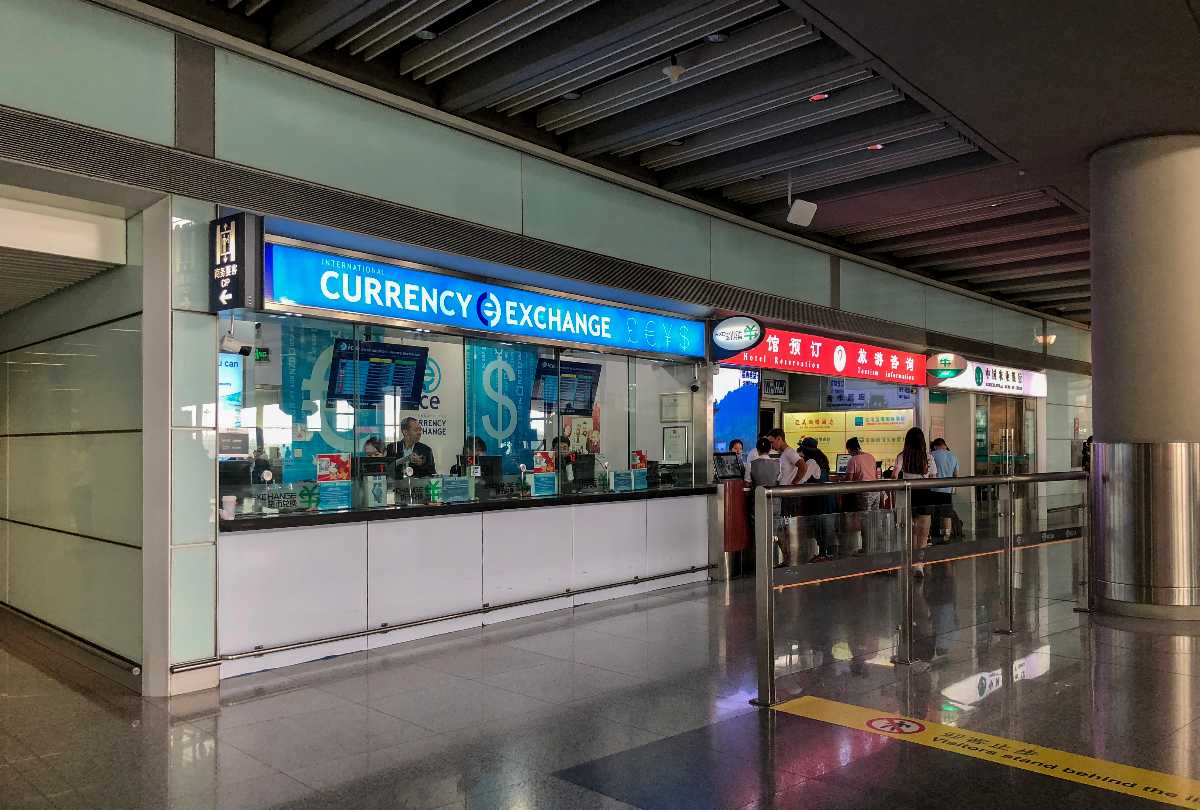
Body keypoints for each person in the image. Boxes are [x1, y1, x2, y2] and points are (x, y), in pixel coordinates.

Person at [894, 426, 936, 576]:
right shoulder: (928, 457)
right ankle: (919, 564)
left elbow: (894, 475)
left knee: (911, 529)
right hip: (924, 493)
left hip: (908, 494)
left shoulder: (902, 456)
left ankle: (910, 560)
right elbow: (933, 477)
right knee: (923, 531)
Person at [798, 437, 838, 561]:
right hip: (828, 496)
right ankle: (826, 553)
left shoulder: (811, 462)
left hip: (820, 498)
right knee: (826, 524)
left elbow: (802, 480)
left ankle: (822, 554)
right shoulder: (822, 459)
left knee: (821, 525)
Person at [844, 437, 879, 554]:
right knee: (873, 519)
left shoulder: (853, 460)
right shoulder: (870, 456)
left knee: (865, 521)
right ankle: (873, 546)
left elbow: (849, 479)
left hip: (864, 493)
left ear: (850, 449)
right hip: (876, 491)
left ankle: (866, 548)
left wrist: (841, 479)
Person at [930, 438, 960, 542]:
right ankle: (946, 537)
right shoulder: (953, 456)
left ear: (935, 446)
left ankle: (934, 537)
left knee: (934, 515)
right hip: (948, 490)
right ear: (944, 445)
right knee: (947, 514)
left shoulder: (932, 455)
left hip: (933, 490)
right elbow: (956, 474)